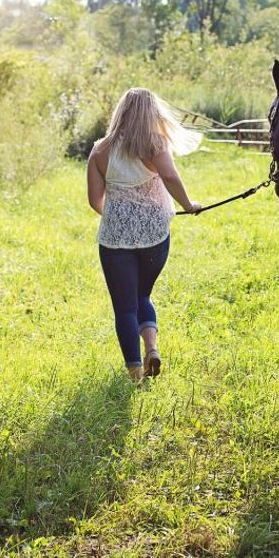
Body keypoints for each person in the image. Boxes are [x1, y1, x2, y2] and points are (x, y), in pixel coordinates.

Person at [87, 88, 202, 382]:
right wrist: (188, 205)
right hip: (155, 236)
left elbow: (94, 200)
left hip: (114, 241)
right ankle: (152, 348)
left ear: (121, 113)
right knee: (143, 294)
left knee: (124, 306)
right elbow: (170, 177)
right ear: (151, 114)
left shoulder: (100, 151)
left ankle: (135, 373)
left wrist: (120, 218)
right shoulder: (154, 144)